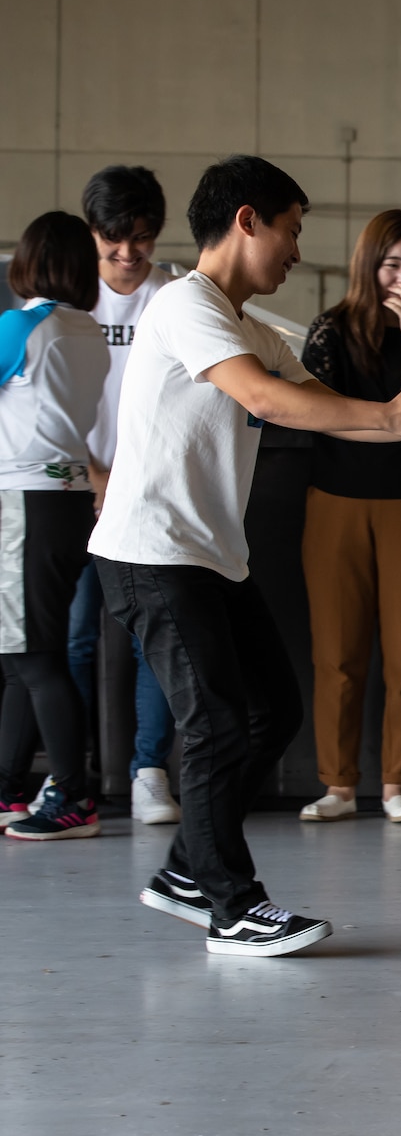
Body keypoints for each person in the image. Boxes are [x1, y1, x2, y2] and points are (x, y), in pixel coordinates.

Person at [92, 155, 401, 957]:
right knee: (212, 722)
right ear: (247, 220)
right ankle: (231, 902)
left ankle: (185, 870)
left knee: (270, 711)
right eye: (291, 230)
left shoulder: (244, 324)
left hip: (208, 557)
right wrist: (388, 421)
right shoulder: (185, 304)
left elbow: (315, 405)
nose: (293, 249)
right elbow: (264, 398)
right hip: (152, 552)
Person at [295, 210, 401, 825]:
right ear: (368, 265)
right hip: (334, 500)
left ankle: (398, 782)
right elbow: (320, 413)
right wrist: (380, 424)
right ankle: (336, 784)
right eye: (391, 264)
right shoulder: (331, 331)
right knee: (337, 650)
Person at [68, 165, 180, 826]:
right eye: (113, 240)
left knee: (152, 641)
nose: (127, 254)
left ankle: (148, 770)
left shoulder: (171, 300)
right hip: (83, 492)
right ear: (92, 235)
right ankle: (73, 773)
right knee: (79, 637)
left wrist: (129, 480)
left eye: (139, 239)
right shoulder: (72, 301)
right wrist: (92, 475)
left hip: (148, 495)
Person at [0, 213, 111, 840]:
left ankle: (72, 797)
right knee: (22, 656)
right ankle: (9, 788)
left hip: (26, 503)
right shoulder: (87, 331)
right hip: (70, 500)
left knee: (35, 657)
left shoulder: (22, 326)